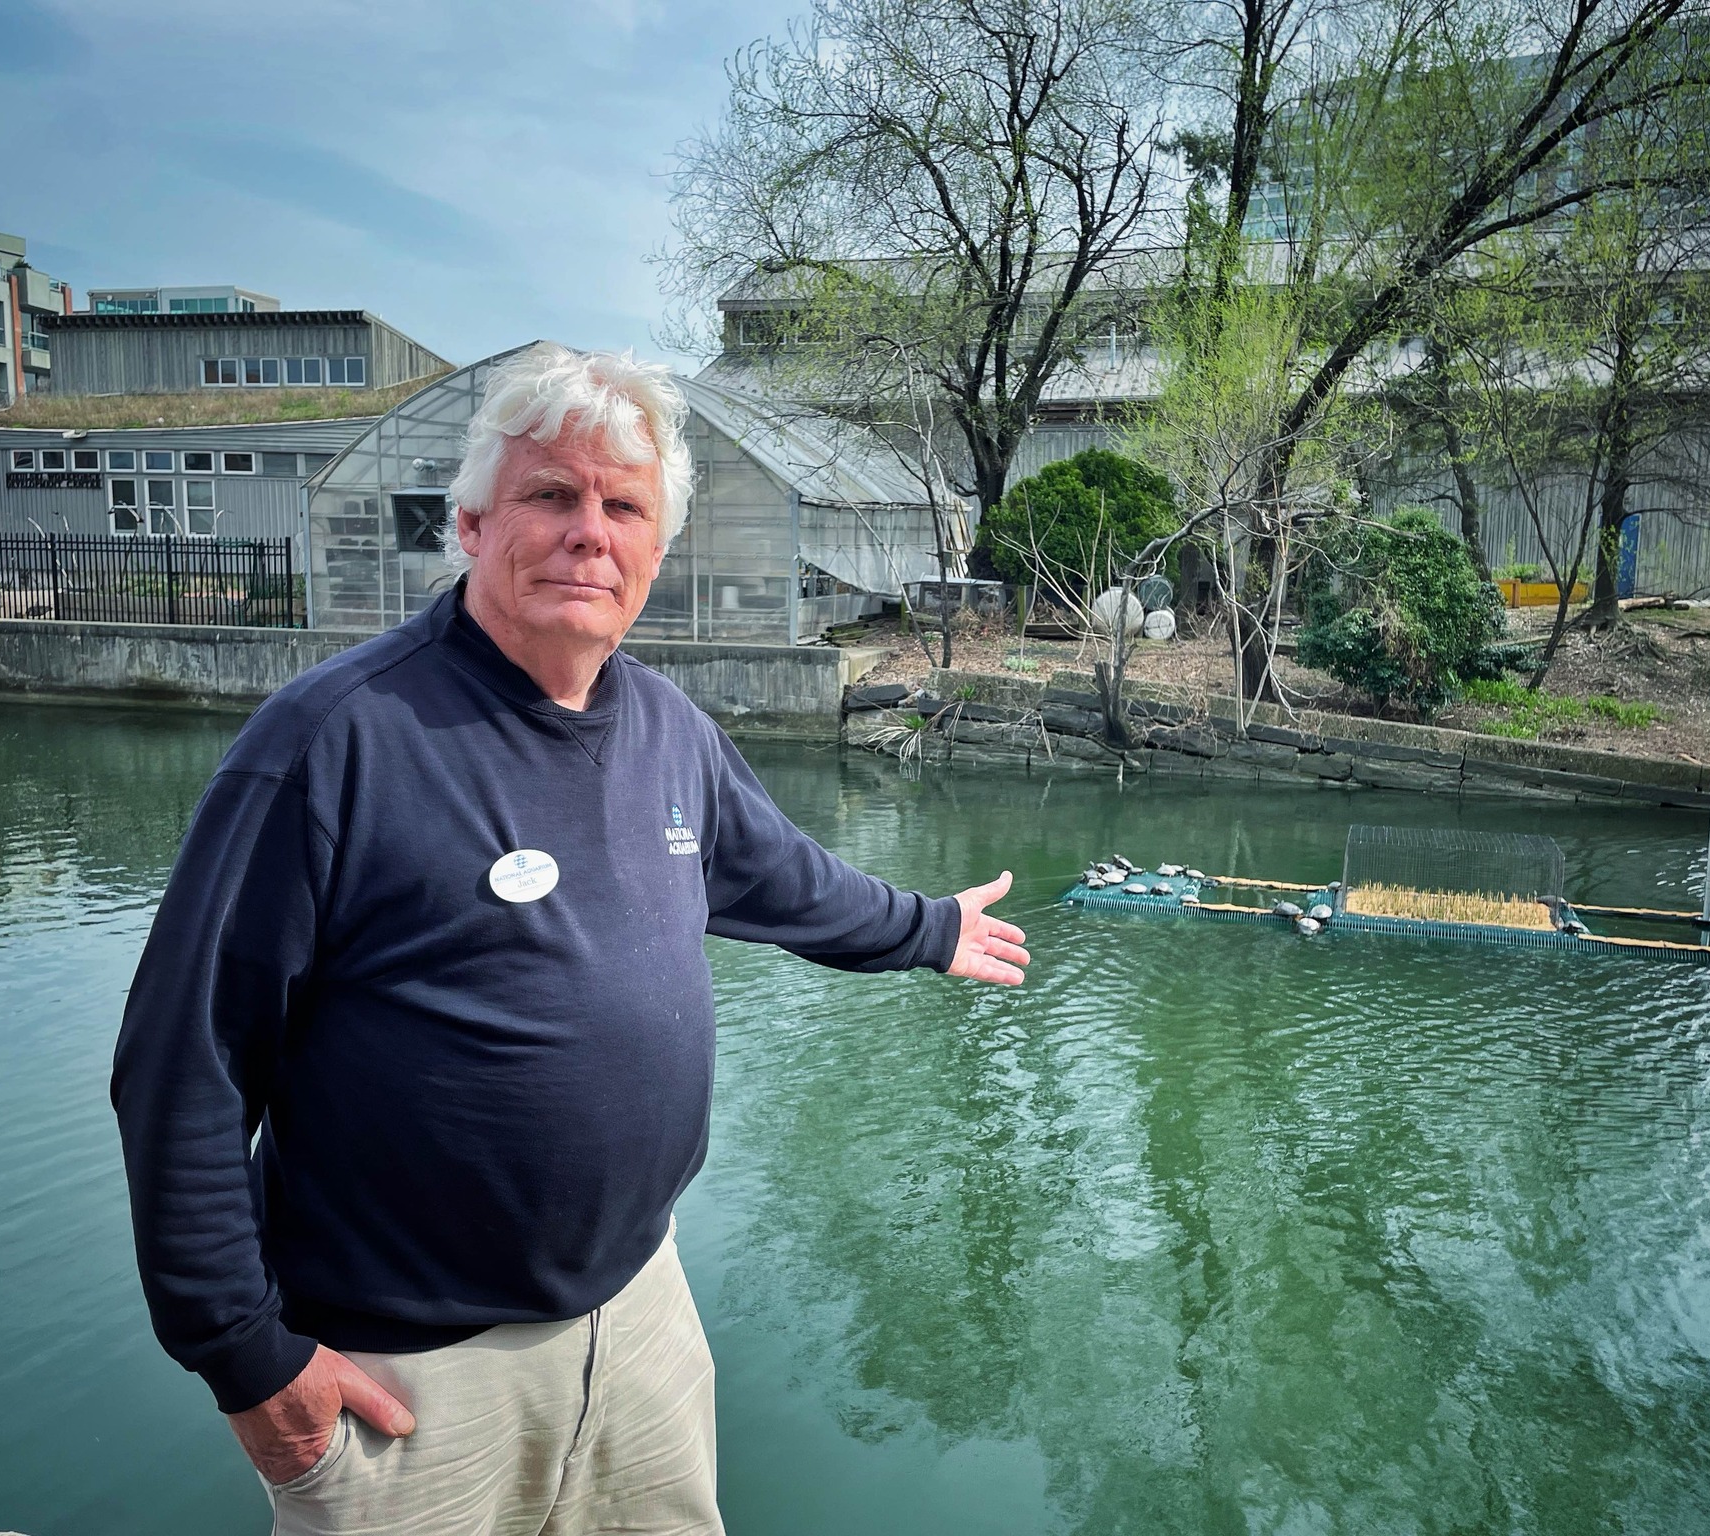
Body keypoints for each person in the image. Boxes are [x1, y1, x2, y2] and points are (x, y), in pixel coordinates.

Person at [110, 344, 1030, 1535]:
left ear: (656, 549)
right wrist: (244, 1358)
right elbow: (181, 1067)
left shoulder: (667, 730)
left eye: (623, 506)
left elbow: (785, 882)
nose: (588, 532)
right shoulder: (334, 741)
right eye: (552, 494)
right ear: (473, 522)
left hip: (638, 1317)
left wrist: (927, 928)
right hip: (411, 1372)